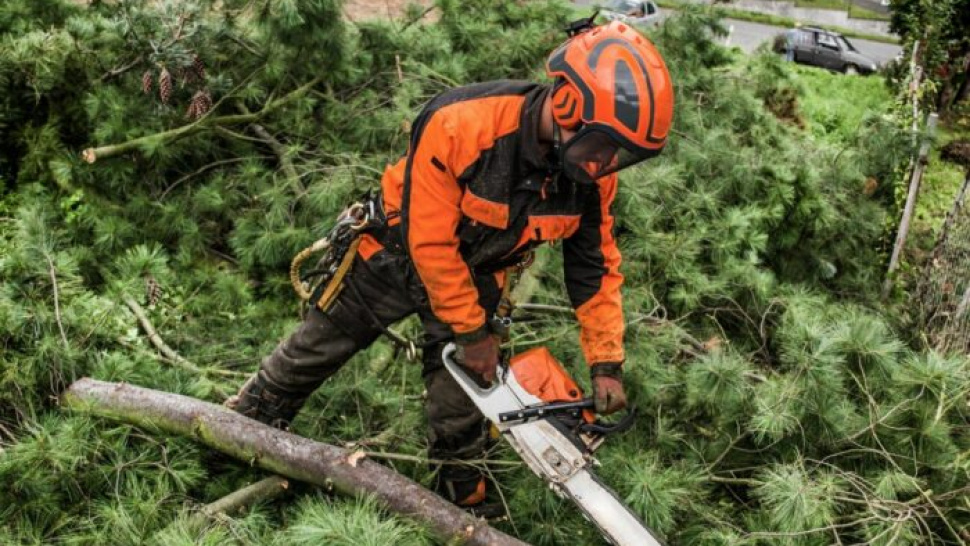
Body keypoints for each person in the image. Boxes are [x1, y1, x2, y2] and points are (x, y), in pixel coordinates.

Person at [227, 19, 674, 509]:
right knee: (312, 352)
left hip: (481, 274)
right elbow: (431, 245)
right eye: (603, 145)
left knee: (462, 410)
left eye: (618, 155)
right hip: (392, 254)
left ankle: (461, 510)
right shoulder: (463, 124)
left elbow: (595, 271)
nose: (605, 163)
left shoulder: (590, 175)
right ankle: (234, 435)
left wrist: (606, 364)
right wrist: (472, 334)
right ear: (568, 103)